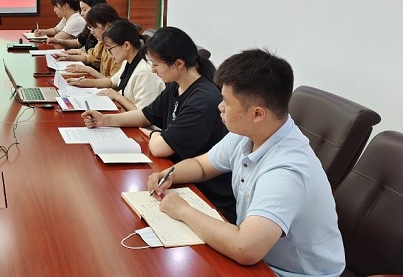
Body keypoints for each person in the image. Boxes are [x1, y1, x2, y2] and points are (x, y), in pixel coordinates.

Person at [147, 49, 345, 276]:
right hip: (256, 256)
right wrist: (170, 174)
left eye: (226, 102)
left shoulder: (286, 171)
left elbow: (245, 248)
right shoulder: (249, 133)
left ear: (258, 114)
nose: (220, 107)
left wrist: (183, 210)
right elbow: (202, 166)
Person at [82, 26, 236, 223]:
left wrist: (154, 134)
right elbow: (146, 115)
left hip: (207, 194)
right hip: (178, 176)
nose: (153, 70)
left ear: (178, 64)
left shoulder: (202, 99)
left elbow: (161, 148)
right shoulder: (176, 85)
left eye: (156, 65)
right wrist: (105, 120)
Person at [95, 20, 165, 111]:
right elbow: (112, 82)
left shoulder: (145, 71)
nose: (109, 54)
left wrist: (117, 96)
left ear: (126, 45)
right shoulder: (128, 61)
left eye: (110, 49)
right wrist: (83, 82)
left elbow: (142, 113)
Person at [60, 4, 123, 88]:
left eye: (94, 27)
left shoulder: (119, 47)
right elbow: (90, 58)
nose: (91, 32)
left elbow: (113, 84)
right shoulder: (103, 41)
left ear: (107, 26)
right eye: (90, 28)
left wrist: (88, 70)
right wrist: (67, 57)